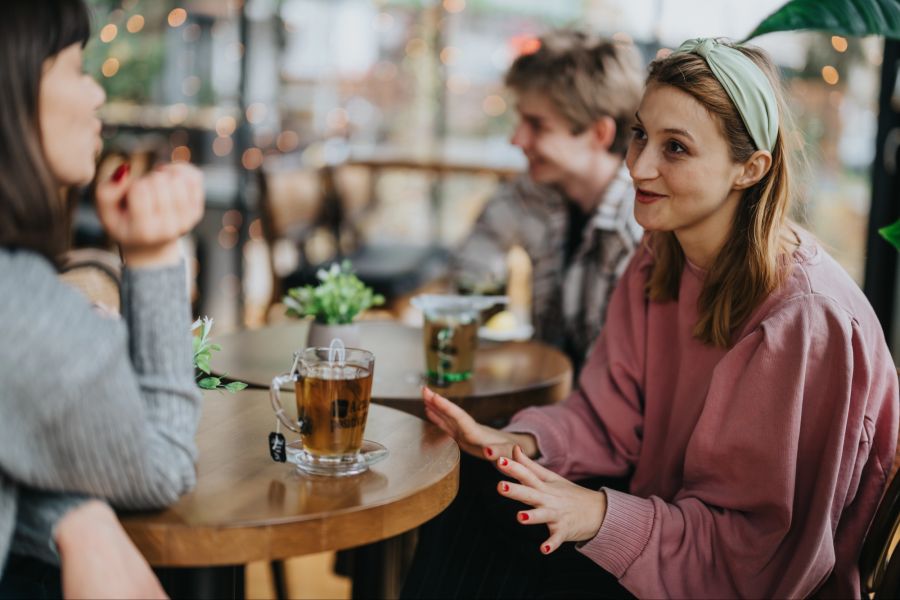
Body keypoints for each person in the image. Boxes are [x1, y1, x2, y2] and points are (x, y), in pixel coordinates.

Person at [407, 38, 899, 598]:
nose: (638, 166)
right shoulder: (658, 255)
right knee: (474, 484)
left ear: (750, 168)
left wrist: (597, 513)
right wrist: (515, 440)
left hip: (736, 580)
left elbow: (756, 556)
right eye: (640, 134)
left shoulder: (804, 318)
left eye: (677, 149)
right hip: (664, 528)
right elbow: (609, 416)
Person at [0, 1, 205, 597]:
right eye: (76, 66)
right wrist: (155, 256)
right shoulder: (23, 310)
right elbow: (164, 464)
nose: (96, 95)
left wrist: (61, 515)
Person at [452, 29, 644, 371]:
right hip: (544, 398)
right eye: (520, 119)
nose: (516, 139)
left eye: (537, 125)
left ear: (599, 133)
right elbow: (470, 270)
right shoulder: (534, 191)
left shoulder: (638, 226)